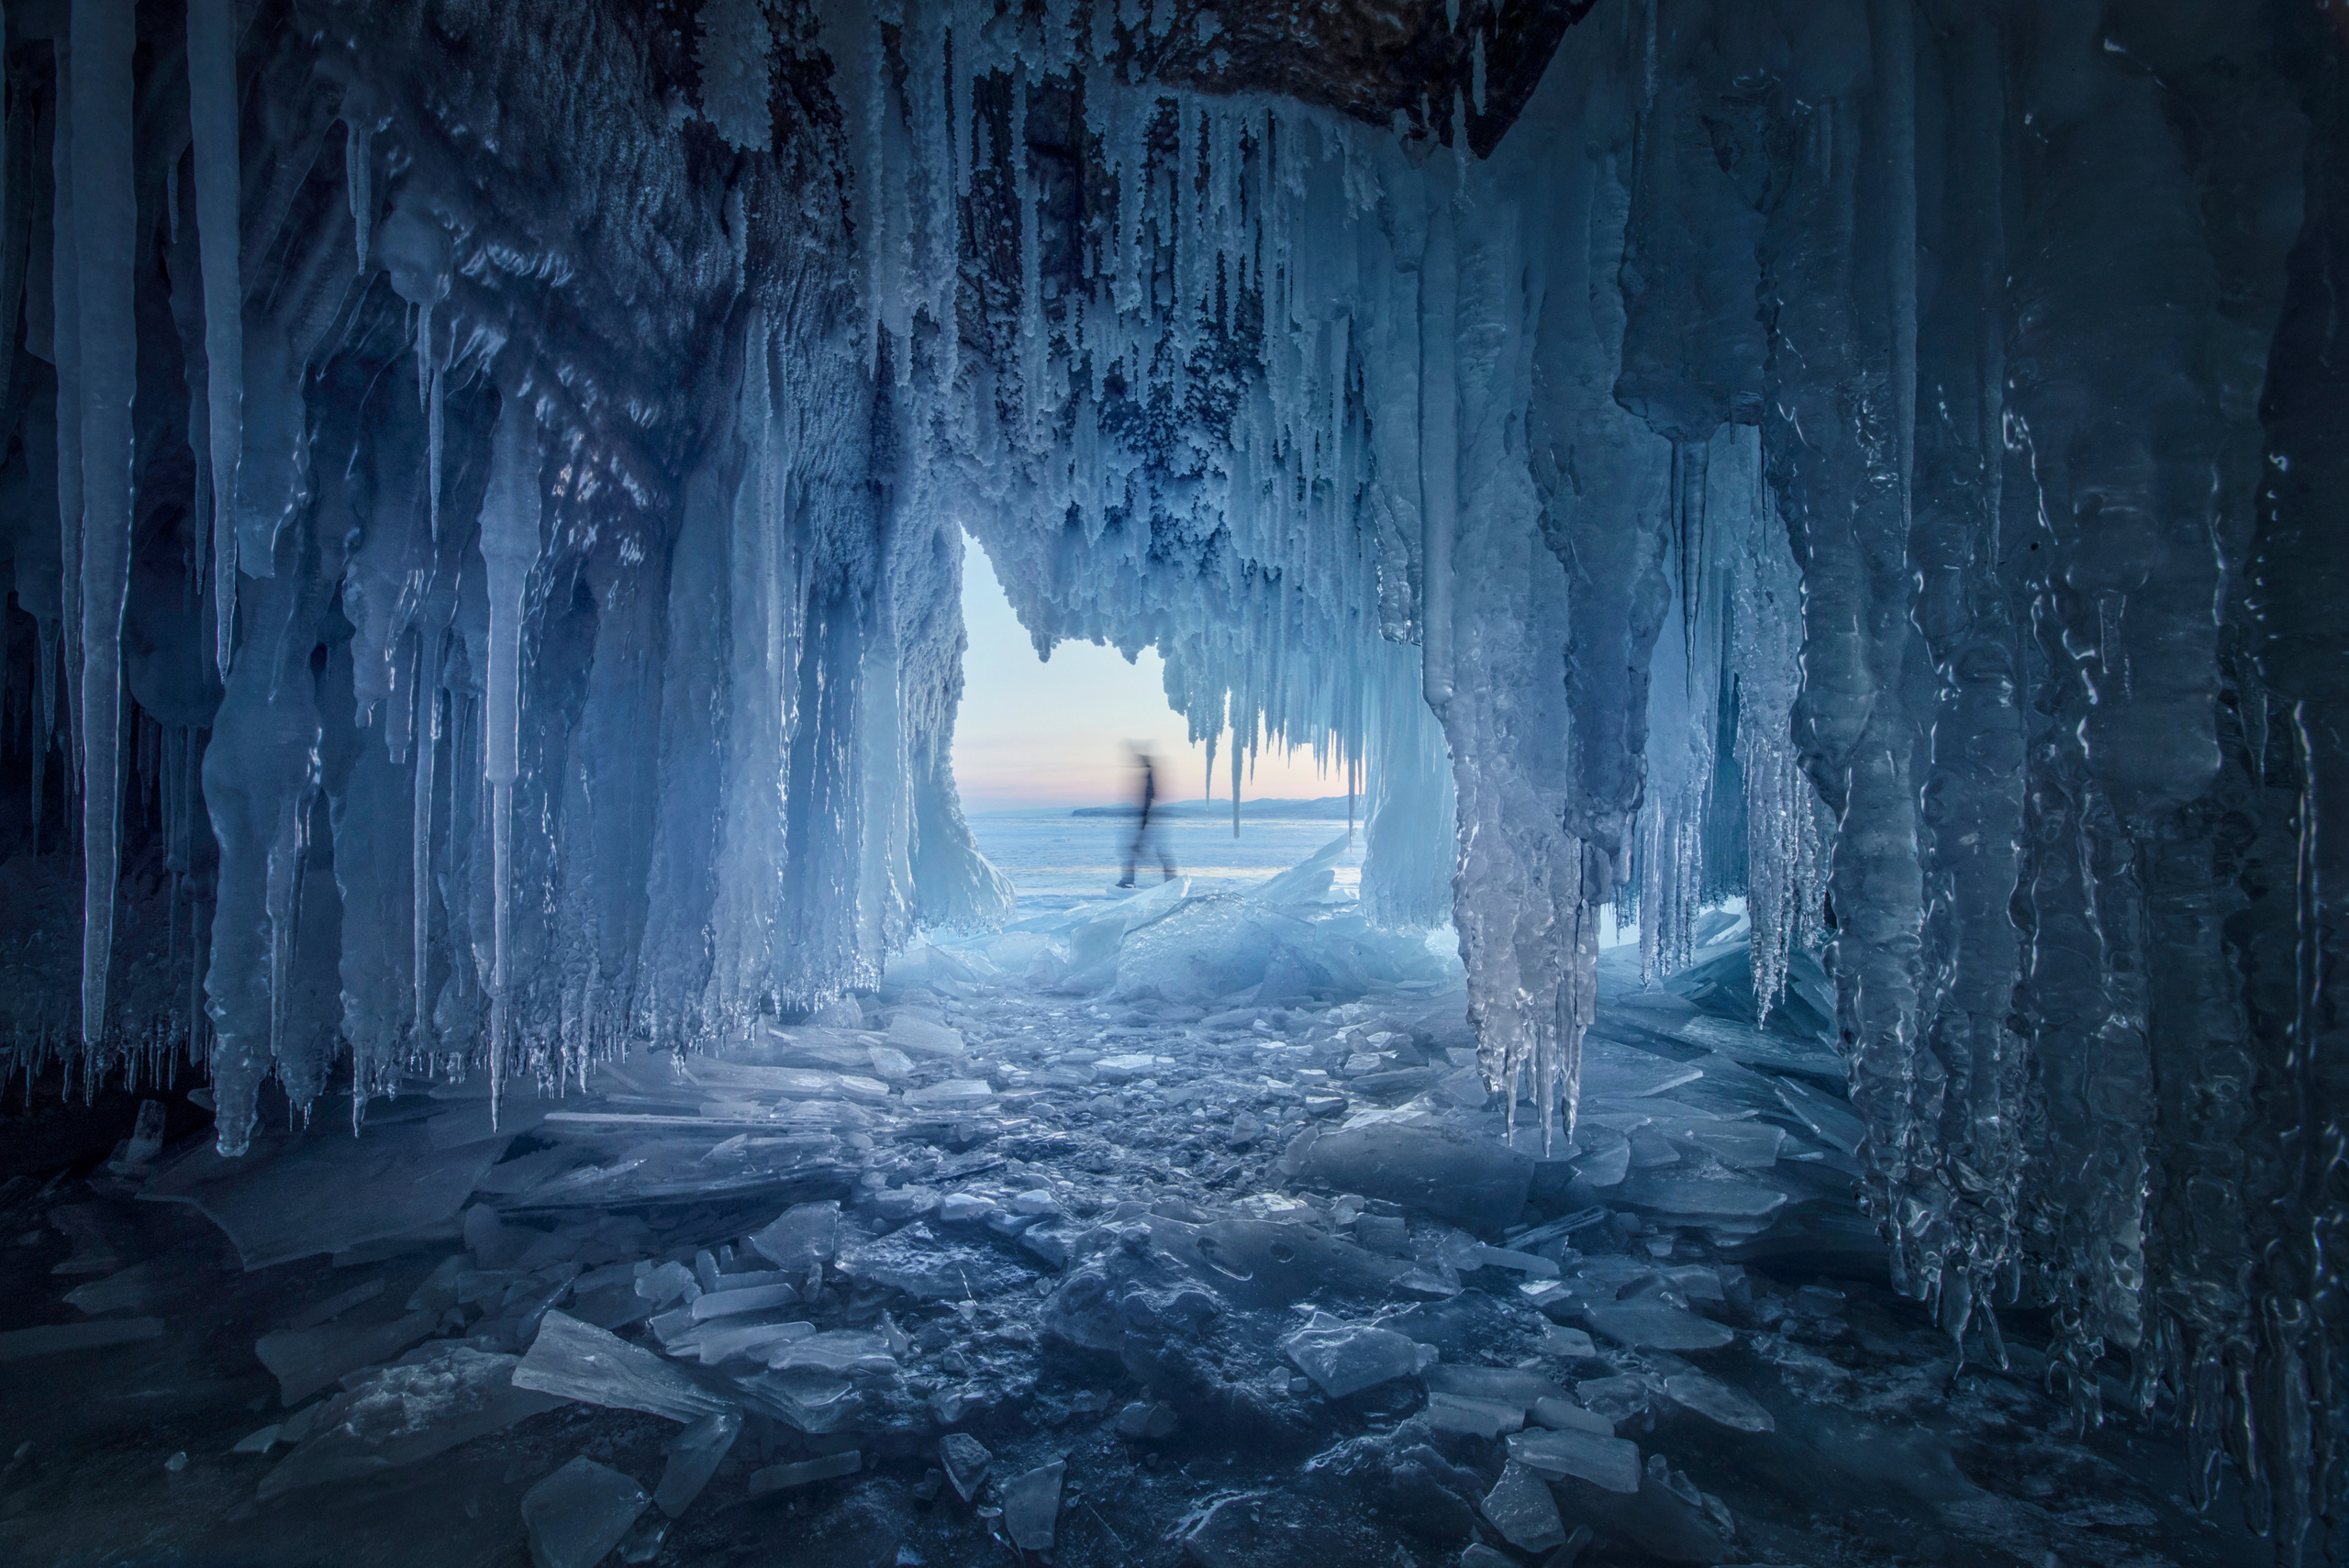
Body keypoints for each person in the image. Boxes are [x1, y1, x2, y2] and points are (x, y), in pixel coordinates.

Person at [1118, 743, 1177, 886]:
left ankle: (1128, 881)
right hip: (1149, 817)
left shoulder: (1149, 776)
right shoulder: (1149, 774)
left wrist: (1144, 818)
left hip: (1147, 818)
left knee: (1134, 850)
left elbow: (1150, 796)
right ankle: (1171, 879)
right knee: (1158, 851)